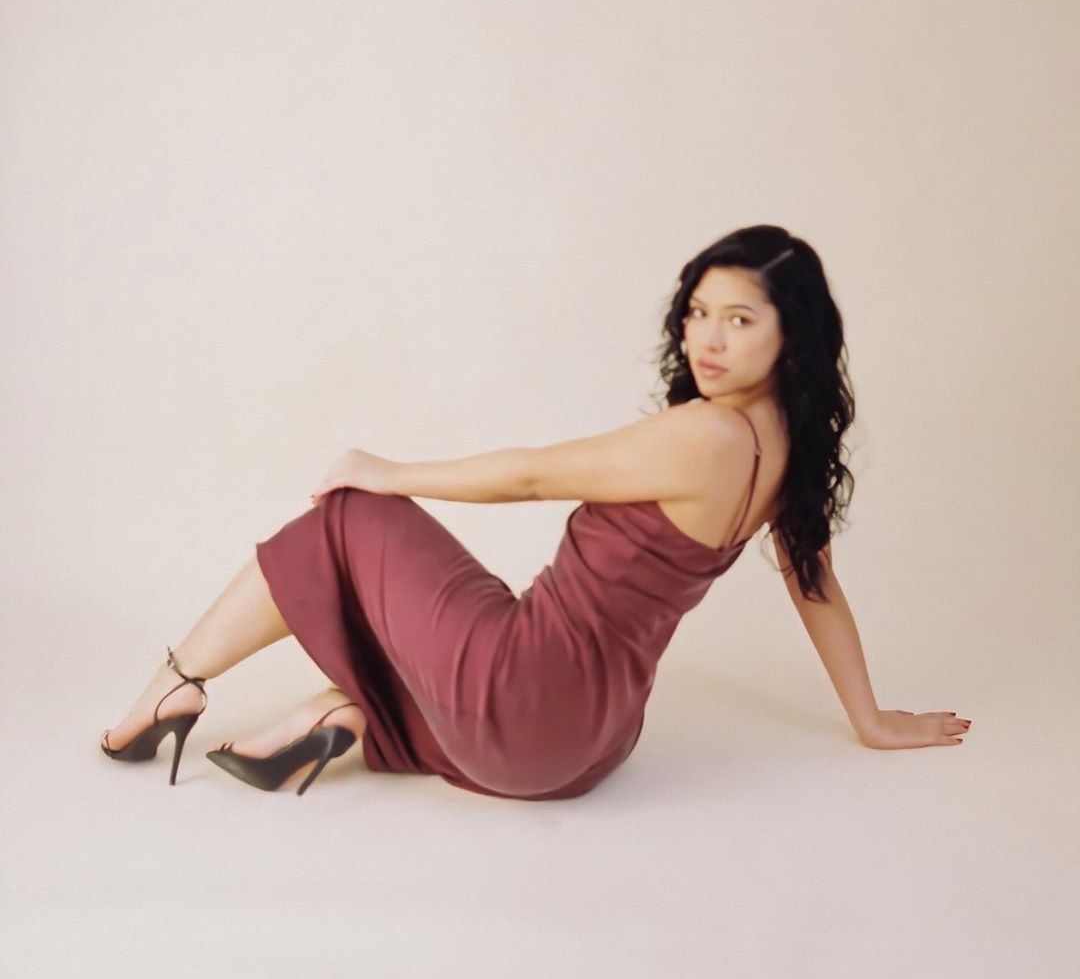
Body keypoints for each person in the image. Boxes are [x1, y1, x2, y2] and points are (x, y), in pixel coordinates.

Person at [99, 224, 972, 798]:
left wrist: (386, 470)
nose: (707, 339)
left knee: (348, 516)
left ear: (792, 333)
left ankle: (175, 683)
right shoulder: (784, 446)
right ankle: (337, 715)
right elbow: (814, 584)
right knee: (467, 617)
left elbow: (529, 477)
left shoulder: (706, 435)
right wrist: (869, 718)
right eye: (699, 312)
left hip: (523, 704)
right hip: (594, 743)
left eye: (739, 320)